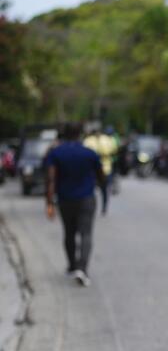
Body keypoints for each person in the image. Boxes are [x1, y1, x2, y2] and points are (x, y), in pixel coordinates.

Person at [45, 122, 104, 287]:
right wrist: (100, 186)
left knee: (69, 233)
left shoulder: (56, 153)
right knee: (86, 234)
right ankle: (82, 269)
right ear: (80, 135)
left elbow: (50, 179)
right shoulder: (89, 153)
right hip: (86, 198)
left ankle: (72, 266)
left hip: (65, 200)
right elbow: (101, 176)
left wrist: (49, 203)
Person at [83, 122, 118, 215]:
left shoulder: (106, 140)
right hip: (95, 169)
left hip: (103, 168)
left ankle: (103, 207)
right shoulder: (89, 140)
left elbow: (113, 150)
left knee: (103, 189)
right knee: (93, 190)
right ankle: (95, 207)